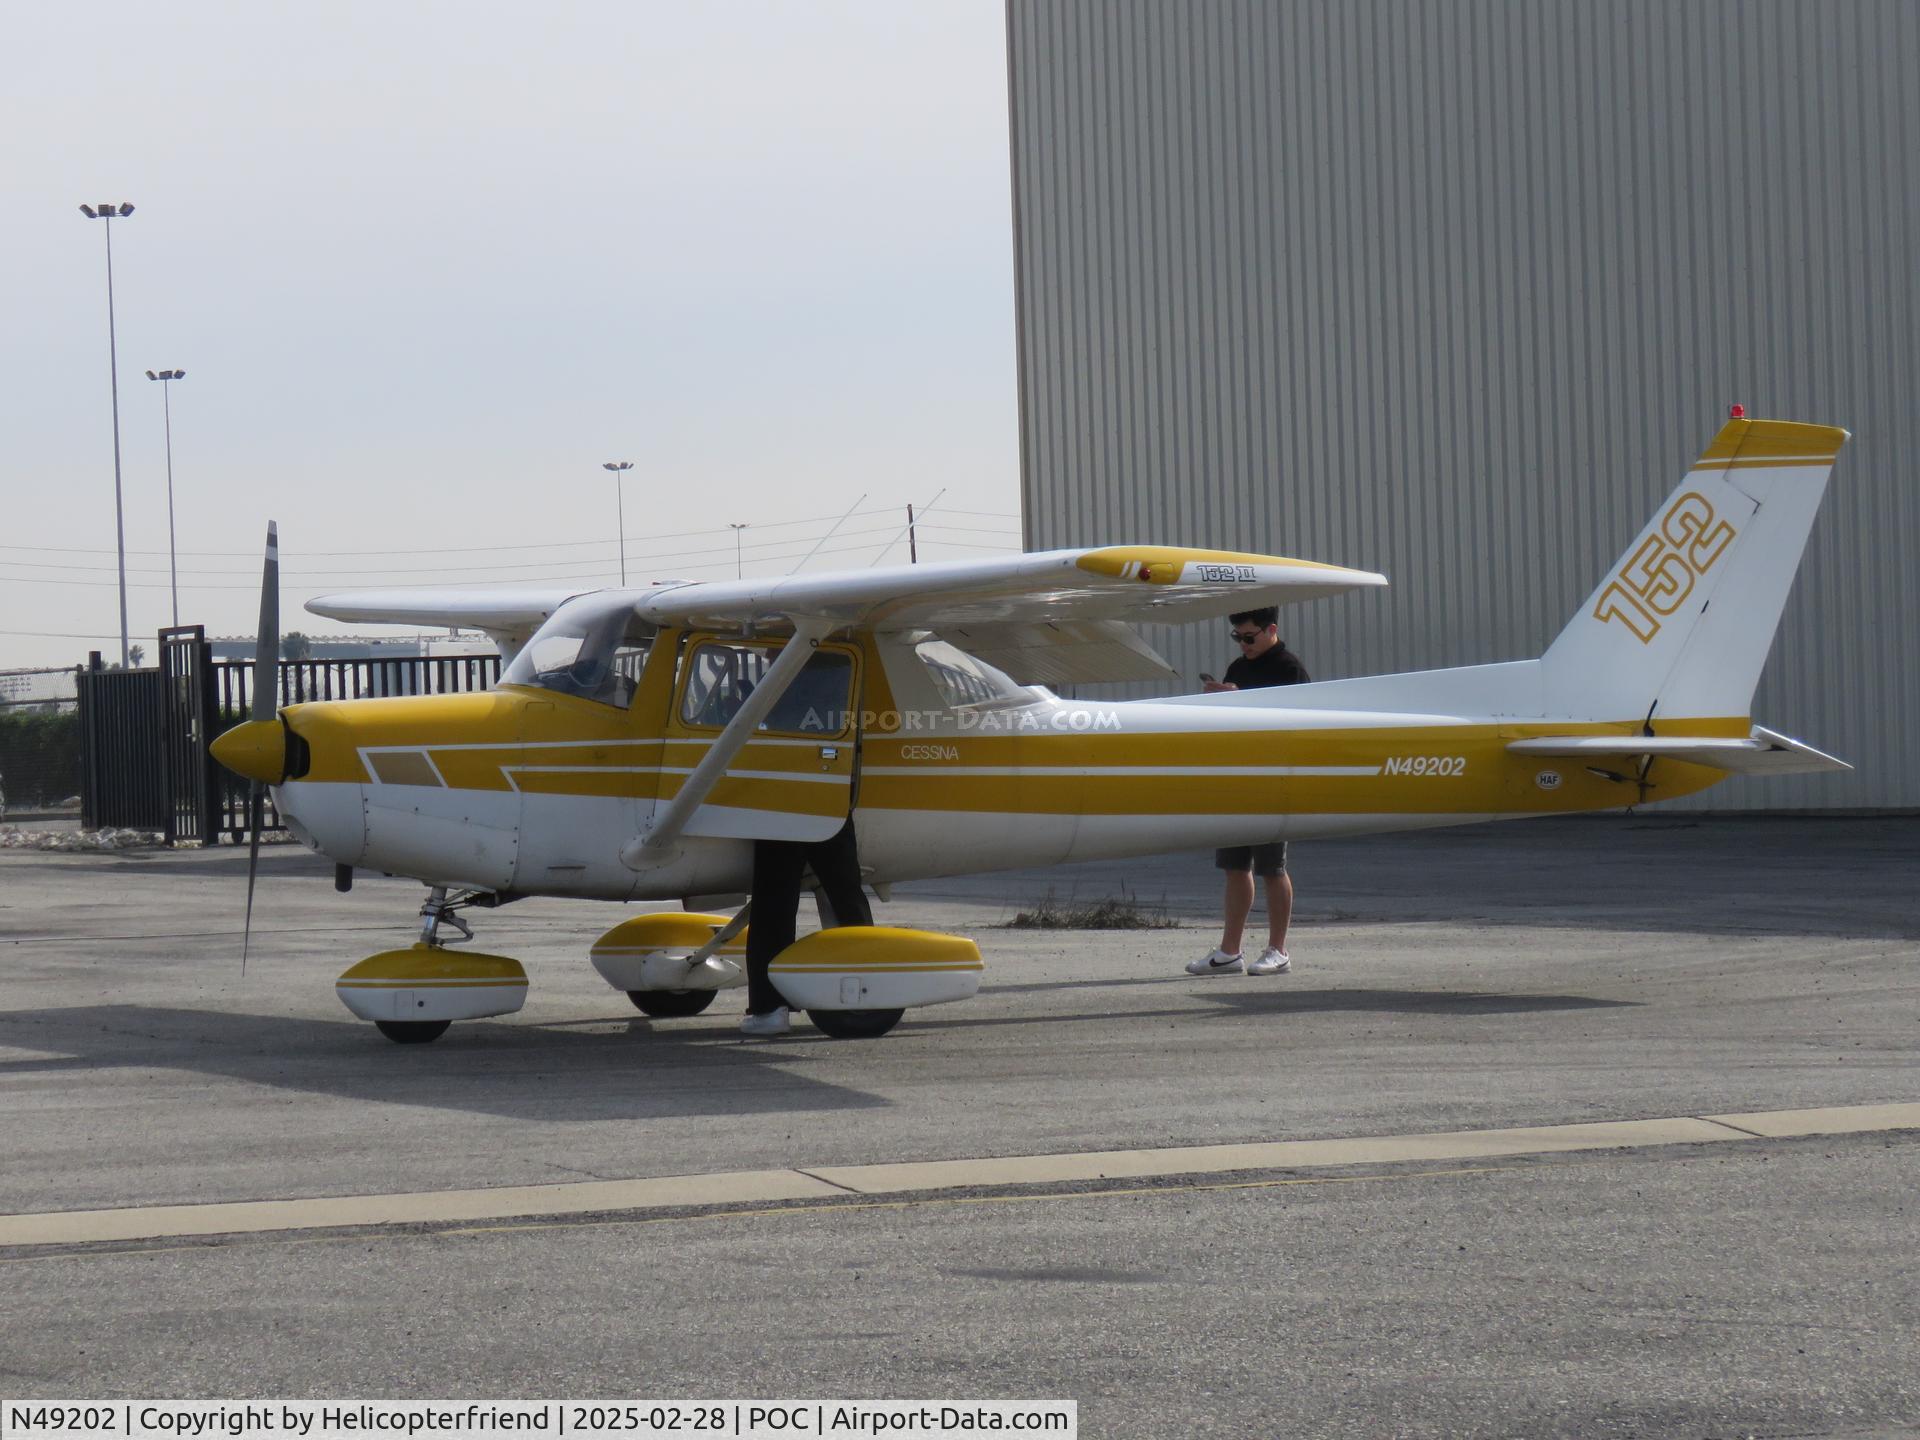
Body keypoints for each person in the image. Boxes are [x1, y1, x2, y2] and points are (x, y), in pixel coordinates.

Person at [1187, 606, 1309, 978]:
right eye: (1238, 637)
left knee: (1272, 867)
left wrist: (1240, 695)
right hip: (1239, 776)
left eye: (1249, 637)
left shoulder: (1290, 668)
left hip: (1275, 779)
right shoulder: (1238, 667)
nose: (1244, 644)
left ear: (1271, 629)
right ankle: (1230, 951)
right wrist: (1219, 697)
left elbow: (1300, 718)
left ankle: (1278, 950)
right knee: (1235, 866)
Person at [740, 817, 873, 1036]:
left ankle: (770, 1008)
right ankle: (870, 989)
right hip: (831, 799)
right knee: (845, 893)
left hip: (784, 802)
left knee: (774, 898)